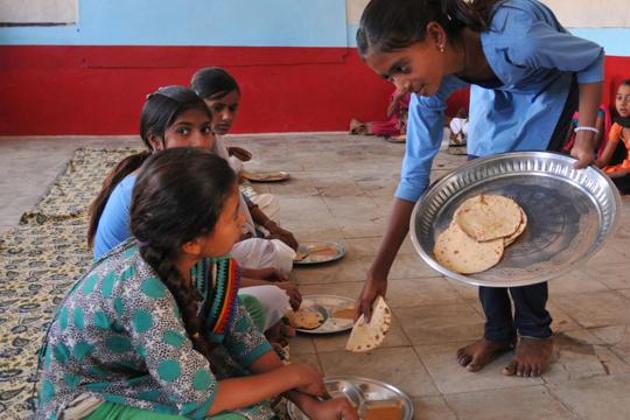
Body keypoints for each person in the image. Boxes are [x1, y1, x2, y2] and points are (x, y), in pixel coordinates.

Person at [354, 0, 603, 378]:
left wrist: (586, 134)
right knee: (477, 212)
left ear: (436, 35)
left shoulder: (519, 39)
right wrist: (378, 272)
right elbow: (414, 178)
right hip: (496, 89)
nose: (401, 86)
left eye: (402, 68)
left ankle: (536, 332)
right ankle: (498, 331)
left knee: (524, 217)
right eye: (389, 77)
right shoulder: (427, 89)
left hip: (546, 93)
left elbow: (590, 58)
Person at [37, 148, 358, 419]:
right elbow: (200, 400)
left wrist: (307, 402)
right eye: (233, 216)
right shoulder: (143, 289)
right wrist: (293, 374)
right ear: (192, 240)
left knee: (244, 314)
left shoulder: (207, 260)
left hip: (141, 369)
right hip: (91, 397)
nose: (245, 222)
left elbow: (243, 338)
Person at [88, 86, 301, 340]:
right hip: (141, 300)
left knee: (270, 254)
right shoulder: (159, 189)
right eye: (184, 131)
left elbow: (195, 262)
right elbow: (179, 277)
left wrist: (253, 275)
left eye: (205, 130)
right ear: (156, 141)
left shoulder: (179, 175)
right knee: (270, 300)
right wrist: (265, 286)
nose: (200, 142)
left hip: (178, 272)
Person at [191, 67, 299, 270]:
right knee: (279, 257)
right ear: (198, 106)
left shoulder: (215, 139)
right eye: (218, 108)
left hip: (227, 223)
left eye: (233, 108)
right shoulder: (193, 153)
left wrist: (270, 226)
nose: (226, 116)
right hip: (207, 244)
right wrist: (243, 234)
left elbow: (234, 193)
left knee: (269, 202)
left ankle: (255, 239)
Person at [596, 79, 630, 194]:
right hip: (625, 169)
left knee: (619, 187)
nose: (622, 103)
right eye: (619, 98)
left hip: (627, 171)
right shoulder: (617, 126)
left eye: (629, 99)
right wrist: (591, 167)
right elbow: (603, 160)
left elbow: (625, 171)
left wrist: (607, 175)